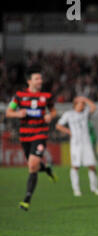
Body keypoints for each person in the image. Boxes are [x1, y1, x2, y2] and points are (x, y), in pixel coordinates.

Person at [6, 67, 57, 211]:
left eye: (41, 78)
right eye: (37, 79)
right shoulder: (19, 96)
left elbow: (53, 111)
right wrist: (18, 114)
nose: (40, 81)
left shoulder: (46, 96)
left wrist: (50, 116)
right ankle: (46, 169)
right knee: (32, 164)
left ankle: (26, 200)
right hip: (25, 135)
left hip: (40, 133)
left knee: (33, 165)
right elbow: (9, 112)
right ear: (29, 81)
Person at [56, 96, 98, 197]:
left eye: (84, 104)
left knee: (92, 166)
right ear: (75, 104)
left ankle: (94, 188)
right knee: (75, 166)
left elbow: (93, 107)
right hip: (76, 144)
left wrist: (85, 99)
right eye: (81, 103)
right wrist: (68, 131)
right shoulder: (69, 114)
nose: (83, 105)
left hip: (86, 143)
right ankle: (76, 190)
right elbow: (58, 125)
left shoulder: (85, 112)